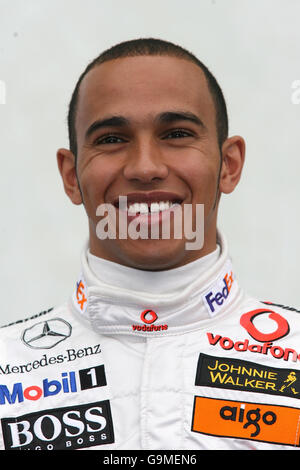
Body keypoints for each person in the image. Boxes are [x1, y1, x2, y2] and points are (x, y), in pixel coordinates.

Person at [0, 38, 299, 451]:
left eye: (176, 134)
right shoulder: (7, 371)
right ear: (71, 176)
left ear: (229, 165)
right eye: (110, 139)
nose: (145, 168)